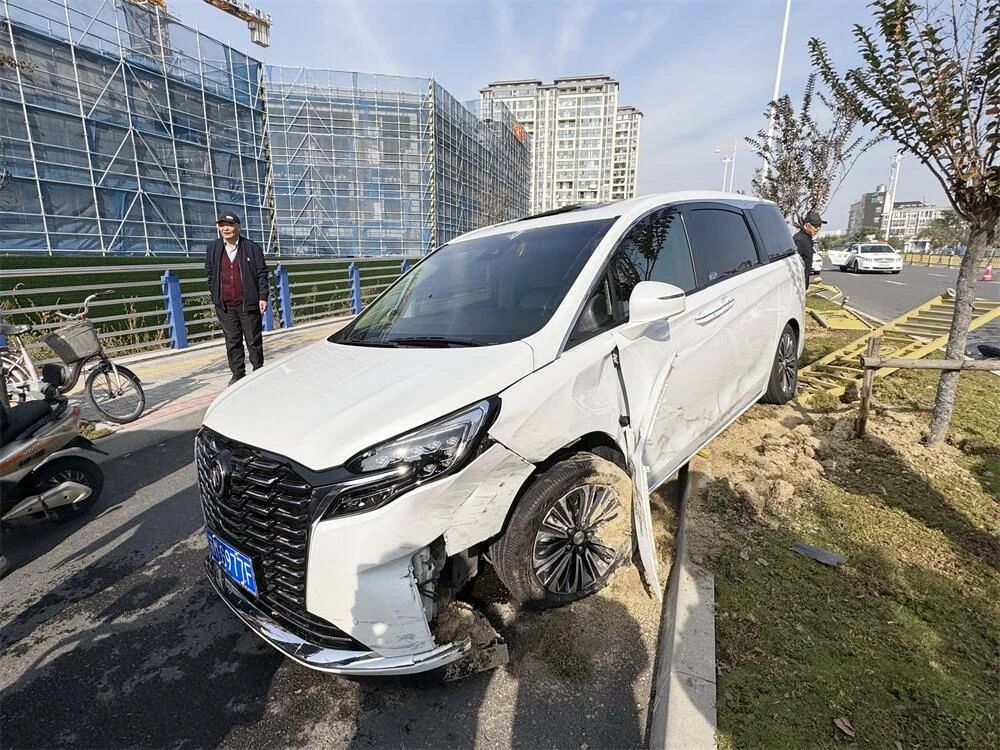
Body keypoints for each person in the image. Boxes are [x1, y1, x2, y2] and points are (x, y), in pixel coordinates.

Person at [204, 212, 269, 385]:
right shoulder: (213, 248)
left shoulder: (251, 248)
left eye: (229, 225)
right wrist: (215, 294)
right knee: (232, 341)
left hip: (248, 303)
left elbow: (262, 274)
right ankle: (238, 373)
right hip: (225, 305)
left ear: (238, 227)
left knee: (253, 340)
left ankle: (258, 370)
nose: (225, 229)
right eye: (222, 225)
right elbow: (210, 273)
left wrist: (263, 296)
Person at [793, 210, 825, 289]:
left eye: (819, 226)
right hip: (797, 284)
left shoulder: (807, 239)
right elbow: (795, 264)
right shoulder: (800, 240)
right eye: (815, 226)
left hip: (802, 283)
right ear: (806, 226)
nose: (818, 228)